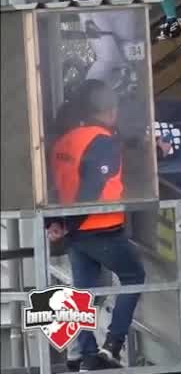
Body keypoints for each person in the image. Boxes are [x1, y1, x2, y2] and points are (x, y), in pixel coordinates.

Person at [46, 80, 170, 370]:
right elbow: (91, 189)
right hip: (100, 227)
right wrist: (70, 224)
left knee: (82, 294)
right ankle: (113, 345)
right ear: (110, 111)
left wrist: (57, 222)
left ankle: (87, 356)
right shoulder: (102, 141)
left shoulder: (64, 141)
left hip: (75, 233)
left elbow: (53, 187)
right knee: (133, 276)